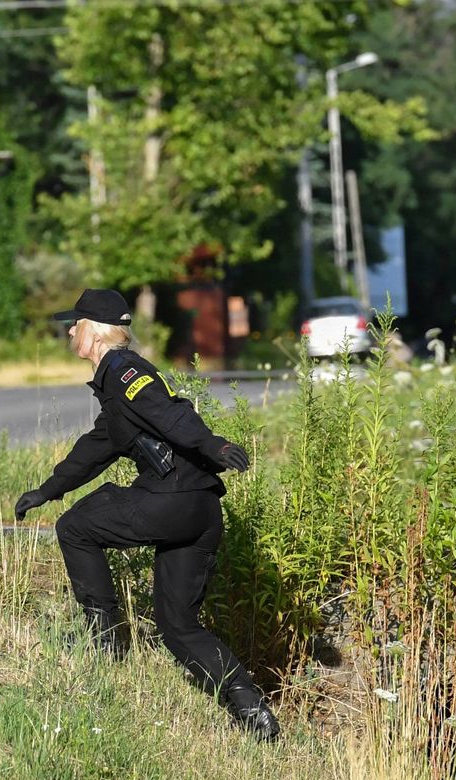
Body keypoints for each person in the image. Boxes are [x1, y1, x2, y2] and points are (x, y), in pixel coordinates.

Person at [15, 289, 281, 742]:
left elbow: (171, 414)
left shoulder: (126, 372)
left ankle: (106, 645)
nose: (70, 331)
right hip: (199, 510)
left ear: (95, 333)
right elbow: (95, 449)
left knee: (76, 529)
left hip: (171, 500)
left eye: (75, 324)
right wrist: (48, 489)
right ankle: (252, 710)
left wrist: (211, 444)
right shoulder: (115, 388)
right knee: (178, 627)